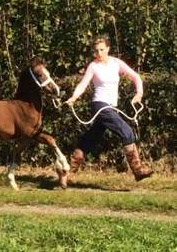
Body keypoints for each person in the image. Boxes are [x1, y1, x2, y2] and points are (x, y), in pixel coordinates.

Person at [64, 35, 153, 187]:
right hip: (100, 106)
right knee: (127, 131)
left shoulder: (116, 63)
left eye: (102, 50)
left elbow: (136, 77)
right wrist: (74, 97)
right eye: (96, 50)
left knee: (90, 138)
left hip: (111, 107)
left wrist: (139, 93)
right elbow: (83, 85)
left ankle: (66, 171)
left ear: (108, 49)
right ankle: (137, 170)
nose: (99, 53)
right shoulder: (93, 66)